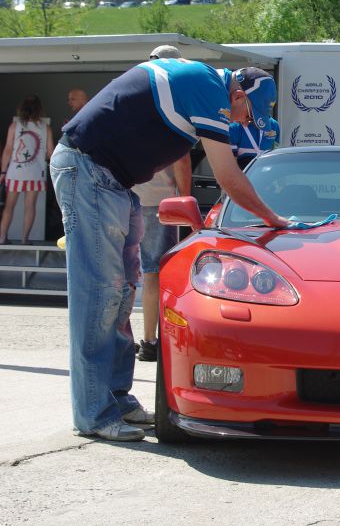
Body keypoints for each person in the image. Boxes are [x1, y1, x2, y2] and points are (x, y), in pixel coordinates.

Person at [51, 58, 288, 442]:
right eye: (246, 115)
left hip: (112, 180)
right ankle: (93, 413)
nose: (242, 122)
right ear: (238, 94)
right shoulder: (208, 87)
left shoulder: (203, 85)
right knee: (101, 295)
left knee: (122, 295)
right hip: (89, 172)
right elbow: (228, 177)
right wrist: (275, 219)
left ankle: (117, 399)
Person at [133, 44, 192, 362]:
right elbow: (181, 162)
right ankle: (150, 342)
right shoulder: (175, 110)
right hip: (159, 203)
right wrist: (185, 201)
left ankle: (123, 338)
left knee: (128, 272)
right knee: (155, 272)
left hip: (128, 198)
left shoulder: (134, 106)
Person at [0, 95, 55, 244]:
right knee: (30, 207)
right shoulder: (45, 128)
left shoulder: (15, 126)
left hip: (14, 173)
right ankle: (25, 239)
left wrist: (3, 172)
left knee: (9, 206)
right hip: (35, 174)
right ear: (39, 109)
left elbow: (7, 150)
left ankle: (2, 237)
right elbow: (51, 153)